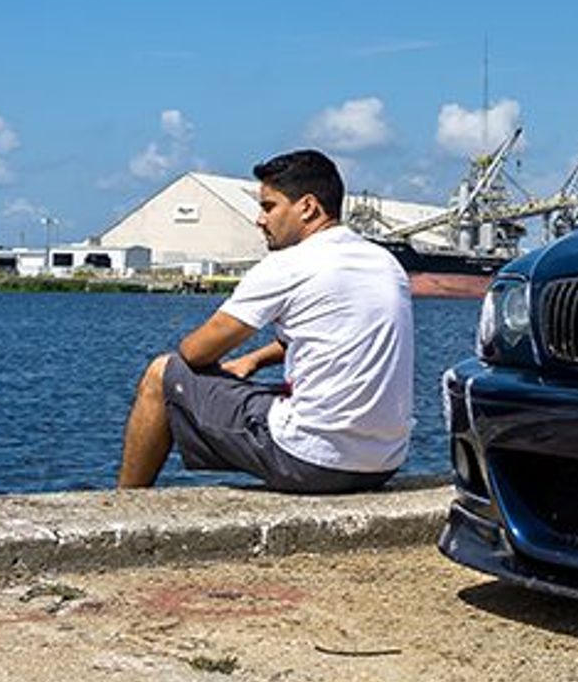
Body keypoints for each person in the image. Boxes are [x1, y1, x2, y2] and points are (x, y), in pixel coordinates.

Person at [117, 148, 414, 493]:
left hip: (312, 462)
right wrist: (253, 360)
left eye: (268, 206)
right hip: (382, 463)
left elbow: (195, 353)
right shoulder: (385, 263)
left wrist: (212, 369)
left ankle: (124, 504)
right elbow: (332, 332)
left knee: (162, 373)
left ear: (307, 207)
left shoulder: (288, 264)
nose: (260, 219)